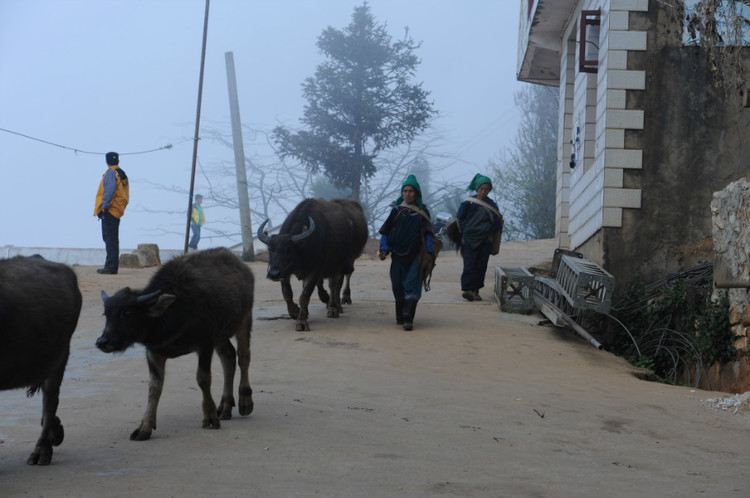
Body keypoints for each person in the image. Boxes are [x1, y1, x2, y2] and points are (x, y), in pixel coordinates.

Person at [378, 174, 435, 331]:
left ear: (416, 193)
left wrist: (429, 252)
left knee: (411, 283)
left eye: (411, 191)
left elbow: (429, 233)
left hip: (416, 256)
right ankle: (400, 315)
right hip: (397, 255)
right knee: (397, 285)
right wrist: (384, 248)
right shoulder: (396, 211)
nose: (408, 194)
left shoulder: (422, 212)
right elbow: (386, 231)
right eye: (405, 191)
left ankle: (408, 317)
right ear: (402, 193)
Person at [456, 173, 503, 301]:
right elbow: (459, 219)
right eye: (481, 188)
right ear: (477, 189)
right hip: (469, 240)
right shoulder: (468, 203)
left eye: (486, 189)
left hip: (485, 241)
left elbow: (497, 224)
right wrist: (464, 234)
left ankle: (476, 290)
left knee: (481, 266)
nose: (483, 191)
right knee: (469, 265)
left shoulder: (492, 206)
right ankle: (468, 289)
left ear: (489, 190)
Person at [93, 151, 129, 274]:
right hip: (118, 210)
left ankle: (110, 267)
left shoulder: (111, 173)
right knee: (113, 239)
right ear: (118, 161)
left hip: (110, 210)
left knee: (109, 239)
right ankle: (112, 266)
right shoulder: (122, 173)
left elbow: (109, 192)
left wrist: (104, 208)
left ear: (107, 161)